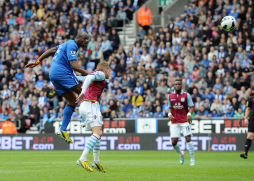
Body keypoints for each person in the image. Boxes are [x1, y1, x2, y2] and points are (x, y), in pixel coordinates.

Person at [25, 32, 90, 144]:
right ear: (78, 37)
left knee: (72, 101)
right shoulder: (73, 45)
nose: (86, 41)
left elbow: (51, 50)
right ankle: (86, 120)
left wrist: (37, 61)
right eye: (84, 38)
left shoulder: (65, 44)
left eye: (88, 39)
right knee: (84, 92)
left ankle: (63, 129)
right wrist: (90, 74)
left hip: (53, 74)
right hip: (62, 73)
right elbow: (74, 65)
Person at [75, 62, 110, 172]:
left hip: (87, 105)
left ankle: (96, 161)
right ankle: (83, 158)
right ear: (106, 70)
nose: (110, 73)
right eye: (109, 70)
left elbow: (83, 78)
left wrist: (72, 76)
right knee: (98, 133)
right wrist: (83, 92)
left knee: (98, 133)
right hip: (90, 103)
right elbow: (89, 77)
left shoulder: (96, 75)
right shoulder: (101, 74)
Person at [168, 79, 195, 166]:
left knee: (188, 139)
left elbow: (191, 106)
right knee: (174, 142)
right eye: (176, 84)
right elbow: (170, 107)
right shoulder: (170, 96)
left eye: (179, 84)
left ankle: (192, 160)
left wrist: (189, 114)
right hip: (175, 121)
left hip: (185, 120)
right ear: (174, 86)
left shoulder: (187, 95)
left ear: (181, 85)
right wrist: (169, 114)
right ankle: (181, 153)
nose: (177, 85)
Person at [240, 95, 254, 159]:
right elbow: (248, 108)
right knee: (249, 135)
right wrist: (246, 118)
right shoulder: (251, 98)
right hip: (253, 119)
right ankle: (245, 153)